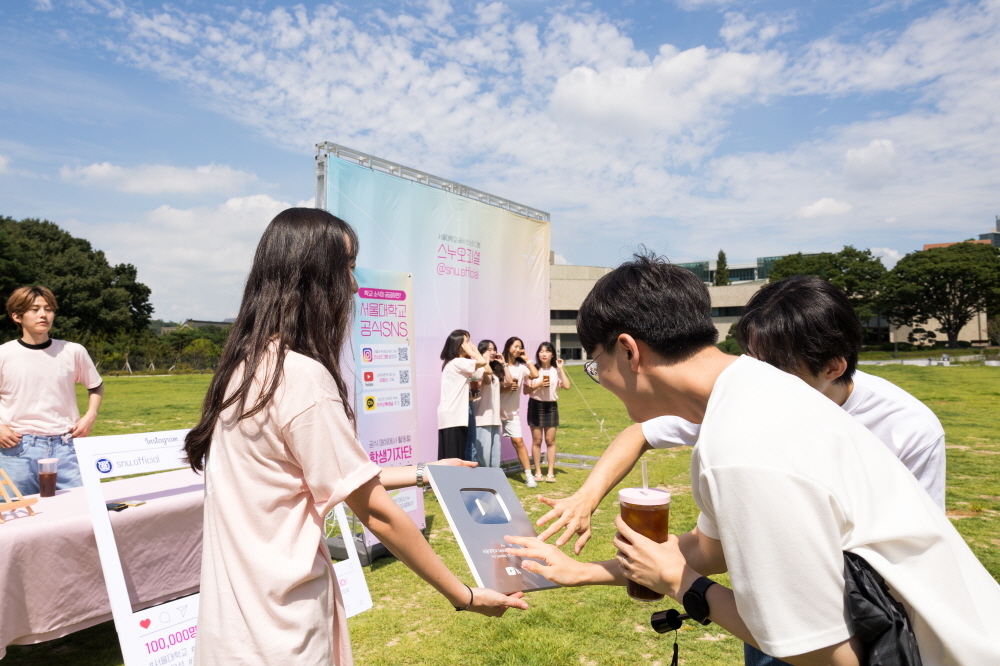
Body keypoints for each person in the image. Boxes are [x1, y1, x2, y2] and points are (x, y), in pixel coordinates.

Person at [507, 252, 1000, 666]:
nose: (600, 380)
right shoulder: (757, 390)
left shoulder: (741, 443)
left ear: (629, 351)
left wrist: (685, 587)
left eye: (595, 366)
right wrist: (581, 571)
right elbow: (710, 548)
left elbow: (828, 655)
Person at [184, 209, 526, 666]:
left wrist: (424, 472)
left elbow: (325, 470)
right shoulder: (300, 378)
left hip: (232, 630)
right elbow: (378, 514)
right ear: (313, 275)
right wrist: (463, 595)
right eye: (346, 267)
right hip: (282, 635)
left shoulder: (245, 369)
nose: (354, 285)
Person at [538, 275, 948, 560]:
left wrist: (688, 586)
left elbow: (917, 547)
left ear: (833, 368)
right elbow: (641, 434)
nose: (755, 376)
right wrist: (585, 498)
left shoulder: (910, 428)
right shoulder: (735, 405)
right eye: (752, 358)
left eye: (776, 366)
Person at [0, 285, 103, 494]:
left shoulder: (73, 351)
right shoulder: (3, 354)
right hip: (17, 448)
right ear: (17, 316)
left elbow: (96, 386)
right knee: (17, 516)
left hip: (66, 446)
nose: (43, 315)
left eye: (48, 309)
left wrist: (90, 415)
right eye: (34, 309)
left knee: (80, 510)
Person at [437, 329, 488, 460]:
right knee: (455, 459)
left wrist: (473, 352)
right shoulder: (458, 362)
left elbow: (485, 369)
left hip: (451, 416)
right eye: (467, 341)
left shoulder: (454, 363)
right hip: (454, 416)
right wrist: (473, 352)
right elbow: (482, 362)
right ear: (459, 344)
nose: (470, 344)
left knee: (451, 457)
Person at [525, 341, 569, 483]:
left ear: (552, 354)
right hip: (535, 406)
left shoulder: (555, 370)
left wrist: (561, 368)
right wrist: (538, 384)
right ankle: (537, 471)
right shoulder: (533, 370)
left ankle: (550, 472)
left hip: (551, 407)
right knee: (536, 440)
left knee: (550, 440)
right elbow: (526, 390)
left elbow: (567, 386)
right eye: (541, 351)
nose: (544, 354)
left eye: (547, 351)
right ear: (538, 354)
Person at [500, 336, 539, 487]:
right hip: (493, 412)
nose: (517, 349)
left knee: (518, 441)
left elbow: (535, 375)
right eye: (515, 346)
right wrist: (506, 388)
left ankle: (529, 475)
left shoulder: (521, 367)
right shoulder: (498, 364)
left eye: (520, 347)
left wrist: (527, 359)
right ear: (508, 346)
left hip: (511, 412)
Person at [472, 339, 507, 468]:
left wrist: (504, 364)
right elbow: (486, 379)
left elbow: (508, 381)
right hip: (481, 419)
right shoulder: (478, 369)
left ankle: (494, 485)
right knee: (483, 458)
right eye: (489, 350)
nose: (493, 352)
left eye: (494, 349)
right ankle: (483, 485)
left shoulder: (494, 373)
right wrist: (484, 360)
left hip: (494, 419)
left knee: (494, 458)